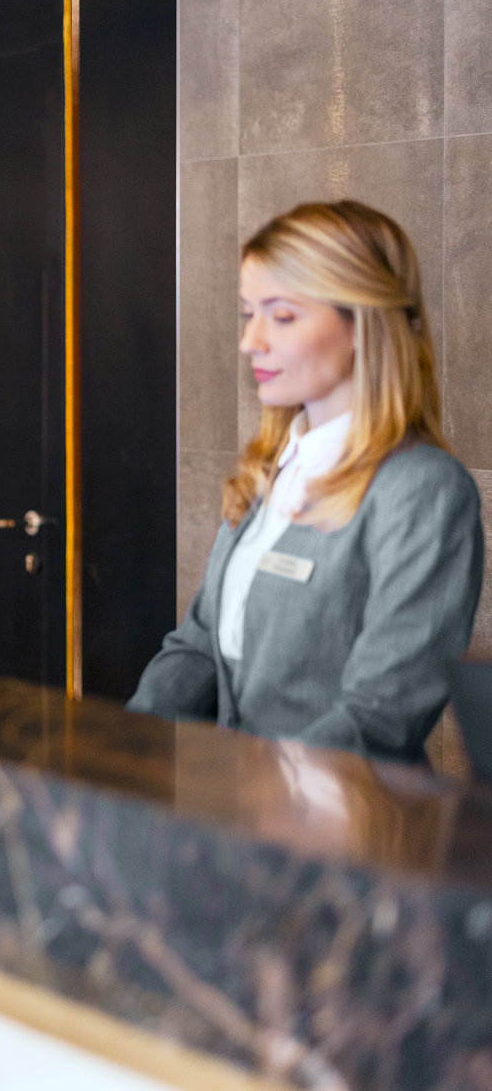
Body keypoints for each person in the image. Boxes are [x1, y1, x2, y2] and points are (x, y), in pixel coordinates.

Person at [129, 200, 482, 764]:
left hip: (343, 831)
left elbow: (381, 714)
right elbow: (197, 646)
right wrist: (124, 750)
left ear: (363, 324)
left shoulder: (423, 491)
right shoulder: (269, 467)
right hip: (232, 816)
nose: (251, 341)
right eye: (249, 314)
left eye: (283, 316)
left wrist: (267, 800)